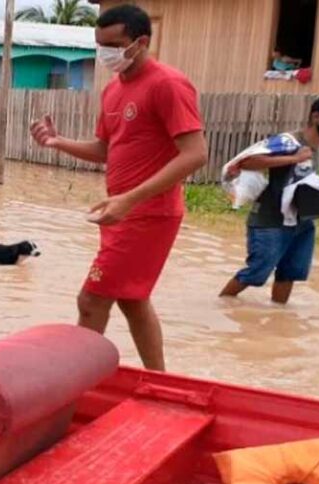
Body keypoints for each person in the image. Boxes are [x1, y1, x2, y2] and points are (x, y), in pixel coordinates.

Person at [29, 4, 208, 372]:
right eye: (100, 45)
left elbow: (195, 154)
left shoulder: (168, 85)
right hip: (119, 213)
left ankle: (74, 384)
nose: (106, 53)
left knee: (91, 300)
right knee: (132, 299)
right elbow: (106, 149)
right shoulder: (113, 90)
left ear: (140, 42)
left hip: (147, 213)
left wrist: (130, 199)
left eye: (114, 44)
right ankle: (159, 379)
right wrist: (57, 142)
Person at [219, 95, 319, 304]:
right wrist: (293, 158)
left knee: (289, 273)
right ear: (317, 117)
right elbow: (247, 161)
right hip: (270, 221)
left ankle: (278, 320)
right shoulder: (290, 141)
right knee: (255, 273)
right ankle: (222, 305)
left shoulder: (317, 148)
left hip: (301, 222)